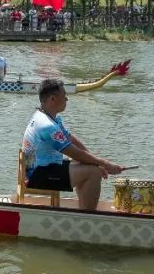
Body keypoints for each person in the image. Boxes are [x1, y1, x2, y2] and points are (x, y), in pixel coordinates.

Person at [22, 78, 126, 210]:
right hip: (37, 176)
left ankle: (84, 209)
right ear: (53, 99)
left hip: (46, 167)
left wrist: (95, 161)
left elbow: (71, 140)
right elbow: (74, 152)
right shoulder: (46, 125)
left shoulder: (52, 118)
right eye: (64, 96)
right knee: (93, 172)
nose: (66, 100)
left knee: (89, 165)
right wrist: (105, 164)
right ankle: (87, 217)